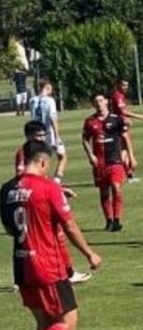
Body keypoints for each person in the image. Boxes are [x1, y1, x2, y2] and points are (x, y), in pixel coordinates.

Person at [0, 140, 101, 330]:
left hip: (21, 265)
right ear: (43, 162)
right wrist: (89, 253)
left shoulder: (8, 190)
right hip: (48, 267)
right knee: (68, 322)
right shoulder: (48, 187)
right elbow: (70, 226)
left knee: (44, 323)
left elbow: (10, 228)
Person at [16, 121, 90, 284]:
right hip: (34, 199)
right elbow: (26, 177)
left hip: (41, 193)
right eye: (39, 135)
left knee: (56, 235)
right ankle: (65, 273)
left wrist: (58, 188)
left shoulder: (39, 150)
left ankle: (67, 271)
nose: (43, 137)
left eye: (44, 134)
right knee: (48, 237)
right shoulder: (25, 153)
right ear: (29, 136)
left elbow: (41, 178)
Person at [82, 93, 131, 232]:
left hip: (114, 159)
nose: (99, 103)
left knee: (116, 188)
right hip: (99, 161)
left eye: (101, 100)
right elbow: (85, 139)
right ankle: (108, 219)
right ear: (93, 104)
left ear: (106, 102)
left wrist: (128, 154)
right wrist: (90, 155)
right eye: (96, 101)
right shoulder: (90, 121)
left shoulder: (116, 119)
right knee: (104, 192)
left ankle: (117, 219)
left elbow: (125, 137)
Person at [30, 79, 67, 183]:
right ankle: (56, 181)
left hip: (35, 133)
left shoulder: (32, 100)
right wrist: (57, 135)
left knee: (40, 159)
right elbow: (52, 118)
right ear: (47, 87)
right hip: (48, 133)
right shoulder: (50, 100)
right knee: (62, 157)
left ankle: (41, 180)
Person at [108, 79, 141, 182]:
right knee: (124, 149)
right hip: (118, 126)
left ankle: (129, 175)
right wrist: (138, 116)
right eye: (123, 85)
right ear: (118, 85)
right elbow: (122, 111)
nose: (125, 87)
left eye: (127, 85)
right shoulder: (117, 96)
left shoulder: (119, 95)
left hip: (120, 124)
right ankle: (123, 173)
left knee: (124, 150)